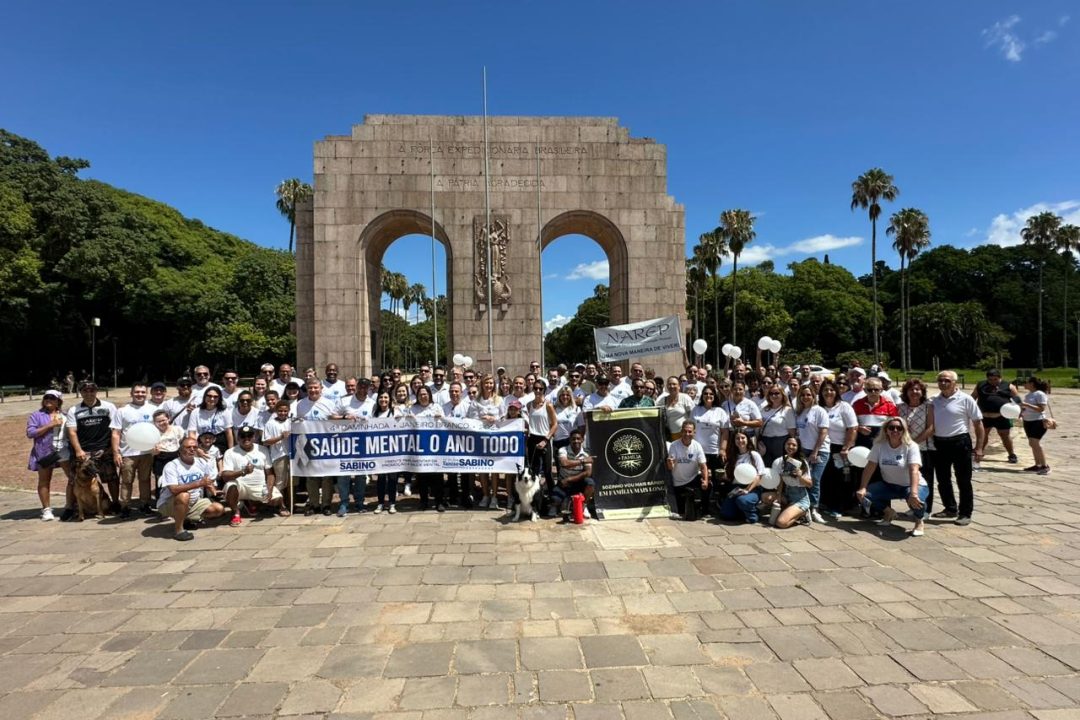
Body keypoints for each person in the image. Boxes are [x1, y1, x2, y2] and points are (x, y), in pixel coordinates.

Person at [855, 417, 930, 537]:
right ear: (886, 430)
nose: (895, 430)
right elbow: (870, 467)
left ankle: (919, 521)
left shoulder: (911, 446)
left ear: (904, 430)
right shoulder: (879, 445)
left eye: (899, 428)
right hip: (889, 485)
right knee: (866, 495)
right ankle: (889, 512)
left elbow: (914, 470)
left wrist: (914, 493)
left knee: (918, 501)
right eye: (891, 427)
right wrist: (862, 487)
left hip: (910, 485)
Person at [930, 370, 984, 526]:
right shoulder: (933, 400)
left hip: (960, 442)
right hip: (939, 443)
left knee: (964, 480)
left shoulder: (966, 399)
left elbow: (978, 424)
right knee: (942, 479)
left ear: (955, 382)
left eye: (947, 380)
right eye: (940, 380)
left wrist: (979, 447)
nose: (943, 383)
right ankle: (950, 508)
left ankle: (965, 513)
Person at [66, 380, 121, 515]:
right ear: (80, 392)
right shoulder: (74, 410)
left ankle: (115, 503)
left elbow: (115, 428)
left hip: (104, 449)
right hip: (84, 452)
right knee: (74, 480)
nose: (89, 393)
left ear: (96, 391)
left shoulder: (109, 407)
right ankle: (70, 507)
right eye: (85, 391)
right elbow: (72, 432)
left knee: (112, 479)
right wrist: (78, 450)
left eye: (92, 390)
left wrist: (113, 449)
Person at [157, 437, 227, 541]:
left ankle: (186, 519)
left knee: (218, 509)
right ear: (180, 449)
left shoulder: (201, 462)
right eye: (188, 447)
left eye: (195, 447)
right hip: (170, 503)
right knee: (184, 495)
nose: (192, 449)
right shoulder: (172, 466)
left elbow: (206, 479)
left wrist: (213, 490)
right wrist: (198, 483)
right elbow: (174, 489)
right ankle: (179, 530)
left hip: (194, 501)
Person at [219, 425, 289, 526]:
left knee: (276, 500)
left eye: (249, 436)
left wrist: (269, 490)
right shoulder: (230, 452)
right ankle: (236, 512)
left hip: (258, 486)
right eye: (243, 436)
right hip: (240, 486)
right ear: (238, 438)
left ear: (254, 437)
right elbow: (225, 476)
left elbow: (270, 474)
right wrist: (243, 472)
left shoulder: (262, 449)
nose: (246, 439)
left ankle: (250, 502)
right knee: (231, 486)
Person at [27, 390, 73, 521]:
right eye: (46, 397)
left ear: (58, 401)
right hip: (44, 451)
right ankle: (46, 509)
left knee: (72, 478)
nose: (49, 400)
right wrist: (49, 425)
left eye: (52, 398)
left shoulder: (65, 415)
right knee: (44, 480)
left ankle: (70, 505)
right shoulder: (36, 415)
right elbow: (30, 433)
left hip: (63, 451)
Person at [295, 378, 338, 515]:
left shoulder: (330, 404)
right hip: (308, 445)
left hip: (326, 445)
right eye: (310, 388)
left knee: (326, 477)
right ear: (306, 389)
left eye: (315, 387)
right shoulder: (300, 404)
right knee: (311, 476)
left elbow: (335, 423)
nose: (313, 390)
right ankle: (314, 504)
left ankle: (326, 505)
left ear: (321, 388)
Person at [113, 384, 157, 517]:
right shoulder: (122, 411)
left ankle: (145, 504)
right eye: (137, 392)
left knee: (145, 479)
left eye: (143, 392)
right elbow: (116, 433)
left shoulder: (153, 409)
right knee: (126, 481)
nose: (140, 394)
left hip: (147, 452)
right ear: (131, 393)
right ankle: (125, 506)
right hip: (128, 453)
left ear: (146, 393)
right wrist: (116, 452)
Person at [817, 380, 857, 517]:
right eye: (825, 390)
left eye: (831, 390)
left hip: (840, 447)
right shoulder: (818, 407)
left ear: (836, 392)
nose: (828, 393)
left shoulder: (844, 407)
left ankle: (839, 507)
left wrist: (846, 447)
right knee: (826, 477)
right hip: (823, 447)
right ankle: (826, 503)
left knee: (841, 478)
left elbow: (853, 428)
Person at [898, 378, 937, 514]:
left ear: (922, 392)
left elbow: (931, 428)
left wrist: (914, 443)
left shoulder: (928, 406)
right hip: (905, 449)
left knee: (926, 480)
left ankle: (926, 509)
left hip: (924, 448)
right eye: (911, 389)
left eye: (917, 389)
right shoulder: (900, 407)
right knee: (910, 479)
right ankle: (914, 506)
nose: (914, 392)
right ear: (906, 392)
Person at [716, 430, 769, 523]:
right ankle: (742, 511)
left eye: (743, 438)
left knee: (743, 500)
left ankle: (753, 514)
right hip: (736, 488)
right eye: (737, 438)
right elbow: (732, 476)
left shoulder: (754, 455)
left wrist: (747, 490)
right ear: (734, 441)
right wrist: (722, 476)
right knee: (726, 514)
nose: (740, 440)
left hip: (752, 488)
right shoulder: (733, 456)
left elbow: (759, 476)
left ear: (747, 439)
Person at [794, 385, 830, 524]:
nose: (805, 397)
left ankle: (814, 508)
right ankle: (805, 507)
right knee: (804, 479)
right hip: (804, 451)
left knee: (814, 479)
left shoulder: (819, 411)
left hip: (819, 450)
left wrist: (815, 451)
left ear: (814, 396)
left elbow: (823, 432)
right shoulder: (800, 412)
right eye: (803, 395)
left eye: (808, 394)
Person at [691, 387, 730, 511]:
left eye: (711, 393)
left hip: (715, 452)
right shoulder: (696, 410)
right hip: (699, 452)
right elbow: (691, 429)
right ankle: (704, 506)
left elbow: (725, 432)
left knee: (717, 480)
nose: (708, 395)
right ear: (702, 396)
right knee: (703, 478)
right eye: (706, 393)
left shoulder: (720, 411)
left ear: (715, 396)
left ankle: (719, 506)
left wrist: (722, 449)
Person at [972, 369, 1019, 464]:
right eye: (990, 379)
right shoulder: (980, 385)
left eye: (995, 379)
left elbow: (1017, 400)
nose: (993, 381)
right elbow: (973, 398)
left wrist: (1017, 411)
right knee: (982, 435)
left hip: (1002, 416)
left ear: (1000, 377)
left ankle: (1011, 454)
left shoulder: (1009, 386)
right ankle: (979, 453)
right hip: (984, 416)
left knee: (1005, 436)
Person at [666, 420, 709, 520]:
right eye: (685, 431)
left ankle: (705, 511)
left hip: (693, 478)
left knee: (708, 484)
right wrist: (670, 463)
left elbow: (703, 466)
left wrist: (705, 480)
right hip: (678, 483)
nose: (687, 434)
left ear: (694, 432)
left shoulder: (697, 446)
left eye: (690, 431)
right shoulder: (674, 445)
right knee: (681, 512)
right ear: (681, 432)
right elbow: (670, 467)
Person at [411, 385, 446, 511]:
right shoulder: (413, 408)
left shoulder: (437, 407)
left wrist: (440, 418)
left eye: (425, 394)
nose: (423, 396)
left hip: (435, 448)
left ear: (429, 395)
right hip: (420, 447)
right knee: (422, 476)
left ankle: (439, 502)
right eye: (420, 394)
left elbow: (445, 423)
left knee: (437, 476)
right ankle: (423, 501)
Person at [551, 429, 594, 519]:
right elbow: (564, 463)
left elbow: (588, 472)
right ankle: (564, 504)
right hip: (563, 483)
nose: (576, 441)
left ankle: (583, 506)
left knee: (590, 483)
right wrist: (583, 461)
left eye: (578, 439)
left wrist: (570, 479)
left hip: (577, 483)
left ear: (582, 440)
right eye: (573, 439)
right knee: (555, 500)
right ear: (569, 440)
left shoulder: (586, 453)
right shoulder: (563, 449)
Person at [771, 437, 813, 528]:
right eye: (788, 444)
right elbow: (780, 481)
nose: (790, 446)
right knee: (766, 497)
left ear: (798, 447)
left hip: (800, 497)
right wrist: (778, 496)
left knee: (781, 523)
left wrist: (800, 476)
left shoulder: (802, 462)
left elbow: (810, 484)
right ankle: (789, 510)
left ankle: (804, 513)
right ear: (784, 445)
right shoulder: (779, 461)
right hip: (787, 494)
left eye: (794, 445)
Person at [369, 390, 399, 514]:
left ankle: (392, 503)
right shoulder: (374, 413)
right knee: (380, 479)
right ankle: (380, 503)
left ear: (390, 400)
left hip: (393, 450)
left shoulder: (395, 412)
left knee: (392, 478)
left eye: (386, 397)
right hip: (379, 450)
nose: (383, 400)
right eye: (381, 397)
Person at [261, 400, 293, 509]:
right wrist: (281, 437)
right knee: (280, 482)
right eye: (280, 411)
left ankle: (291, 504)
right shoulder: (270, 424)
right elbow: (266, 441)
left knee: (291, 481)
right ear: (276, 411)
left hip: (292, 455)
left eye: (285, 411)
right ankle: (281, 505)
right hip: (278, 455)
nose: (283, 413)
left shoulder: (291, 422)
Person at [526, 379, 558, 490]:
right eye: (535, 388)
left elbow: (555, 424)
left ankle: (553, 495)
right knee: (533, 470)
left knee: (547, 471)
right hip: (532, 439)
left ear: (544, 390)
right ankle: (535, 495)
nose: (538, 391)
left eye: (540, 389)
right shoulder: (529, 405)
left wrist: (546, 440)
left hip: (545, 438)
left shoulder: (548, 405)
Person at [852, 377, 898, 448]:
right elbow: (850, 424)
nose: (873, 392)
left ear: (881, 390)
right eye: (870, 390)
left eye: (876, 390)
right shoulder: (857, 404)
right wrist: (859, 428)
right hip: (862, 443)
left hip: (883, 443)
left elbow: (895, 425)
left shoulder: (890, 405)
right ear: (865, 390)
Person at [758, 383, 796, 467]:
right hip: (765, 441)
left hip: (780, 443)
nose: (773, 395)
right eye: (771, 393)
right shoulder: (764, 409)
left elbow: (792, 433)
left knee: (779, 466)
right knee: (766, 466)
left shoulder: (787, 410)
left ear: (782, 394)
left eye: (777, 393)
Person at [1019, 376, 1051, 475]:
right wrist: (1022, 411)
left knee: (1035, 443)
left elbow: (1041, 408)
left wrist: (1026, 405)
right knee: (1032, 443)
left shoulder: (1040, 394)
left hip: (1038, 421)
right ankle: (1037, 465)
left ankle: (1045, 466)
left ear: (1032, 383)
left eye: (1026, 382)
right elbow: (1027, 407)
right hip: (1028, 421)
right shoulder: (1028, 395)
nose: (1024, 384)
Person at [186, 387, 231, 451]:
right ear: (205, 397)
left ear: (219, 398)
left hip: (220, 443)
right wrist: (197, 449)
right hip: (202, 443)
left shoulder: (224, 412)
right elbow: (192, 433)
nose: (212, 399)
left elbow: (228, 432)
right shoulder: (196, 412)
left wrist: (230, 451)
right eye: (209, 396)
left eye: (215, 397)